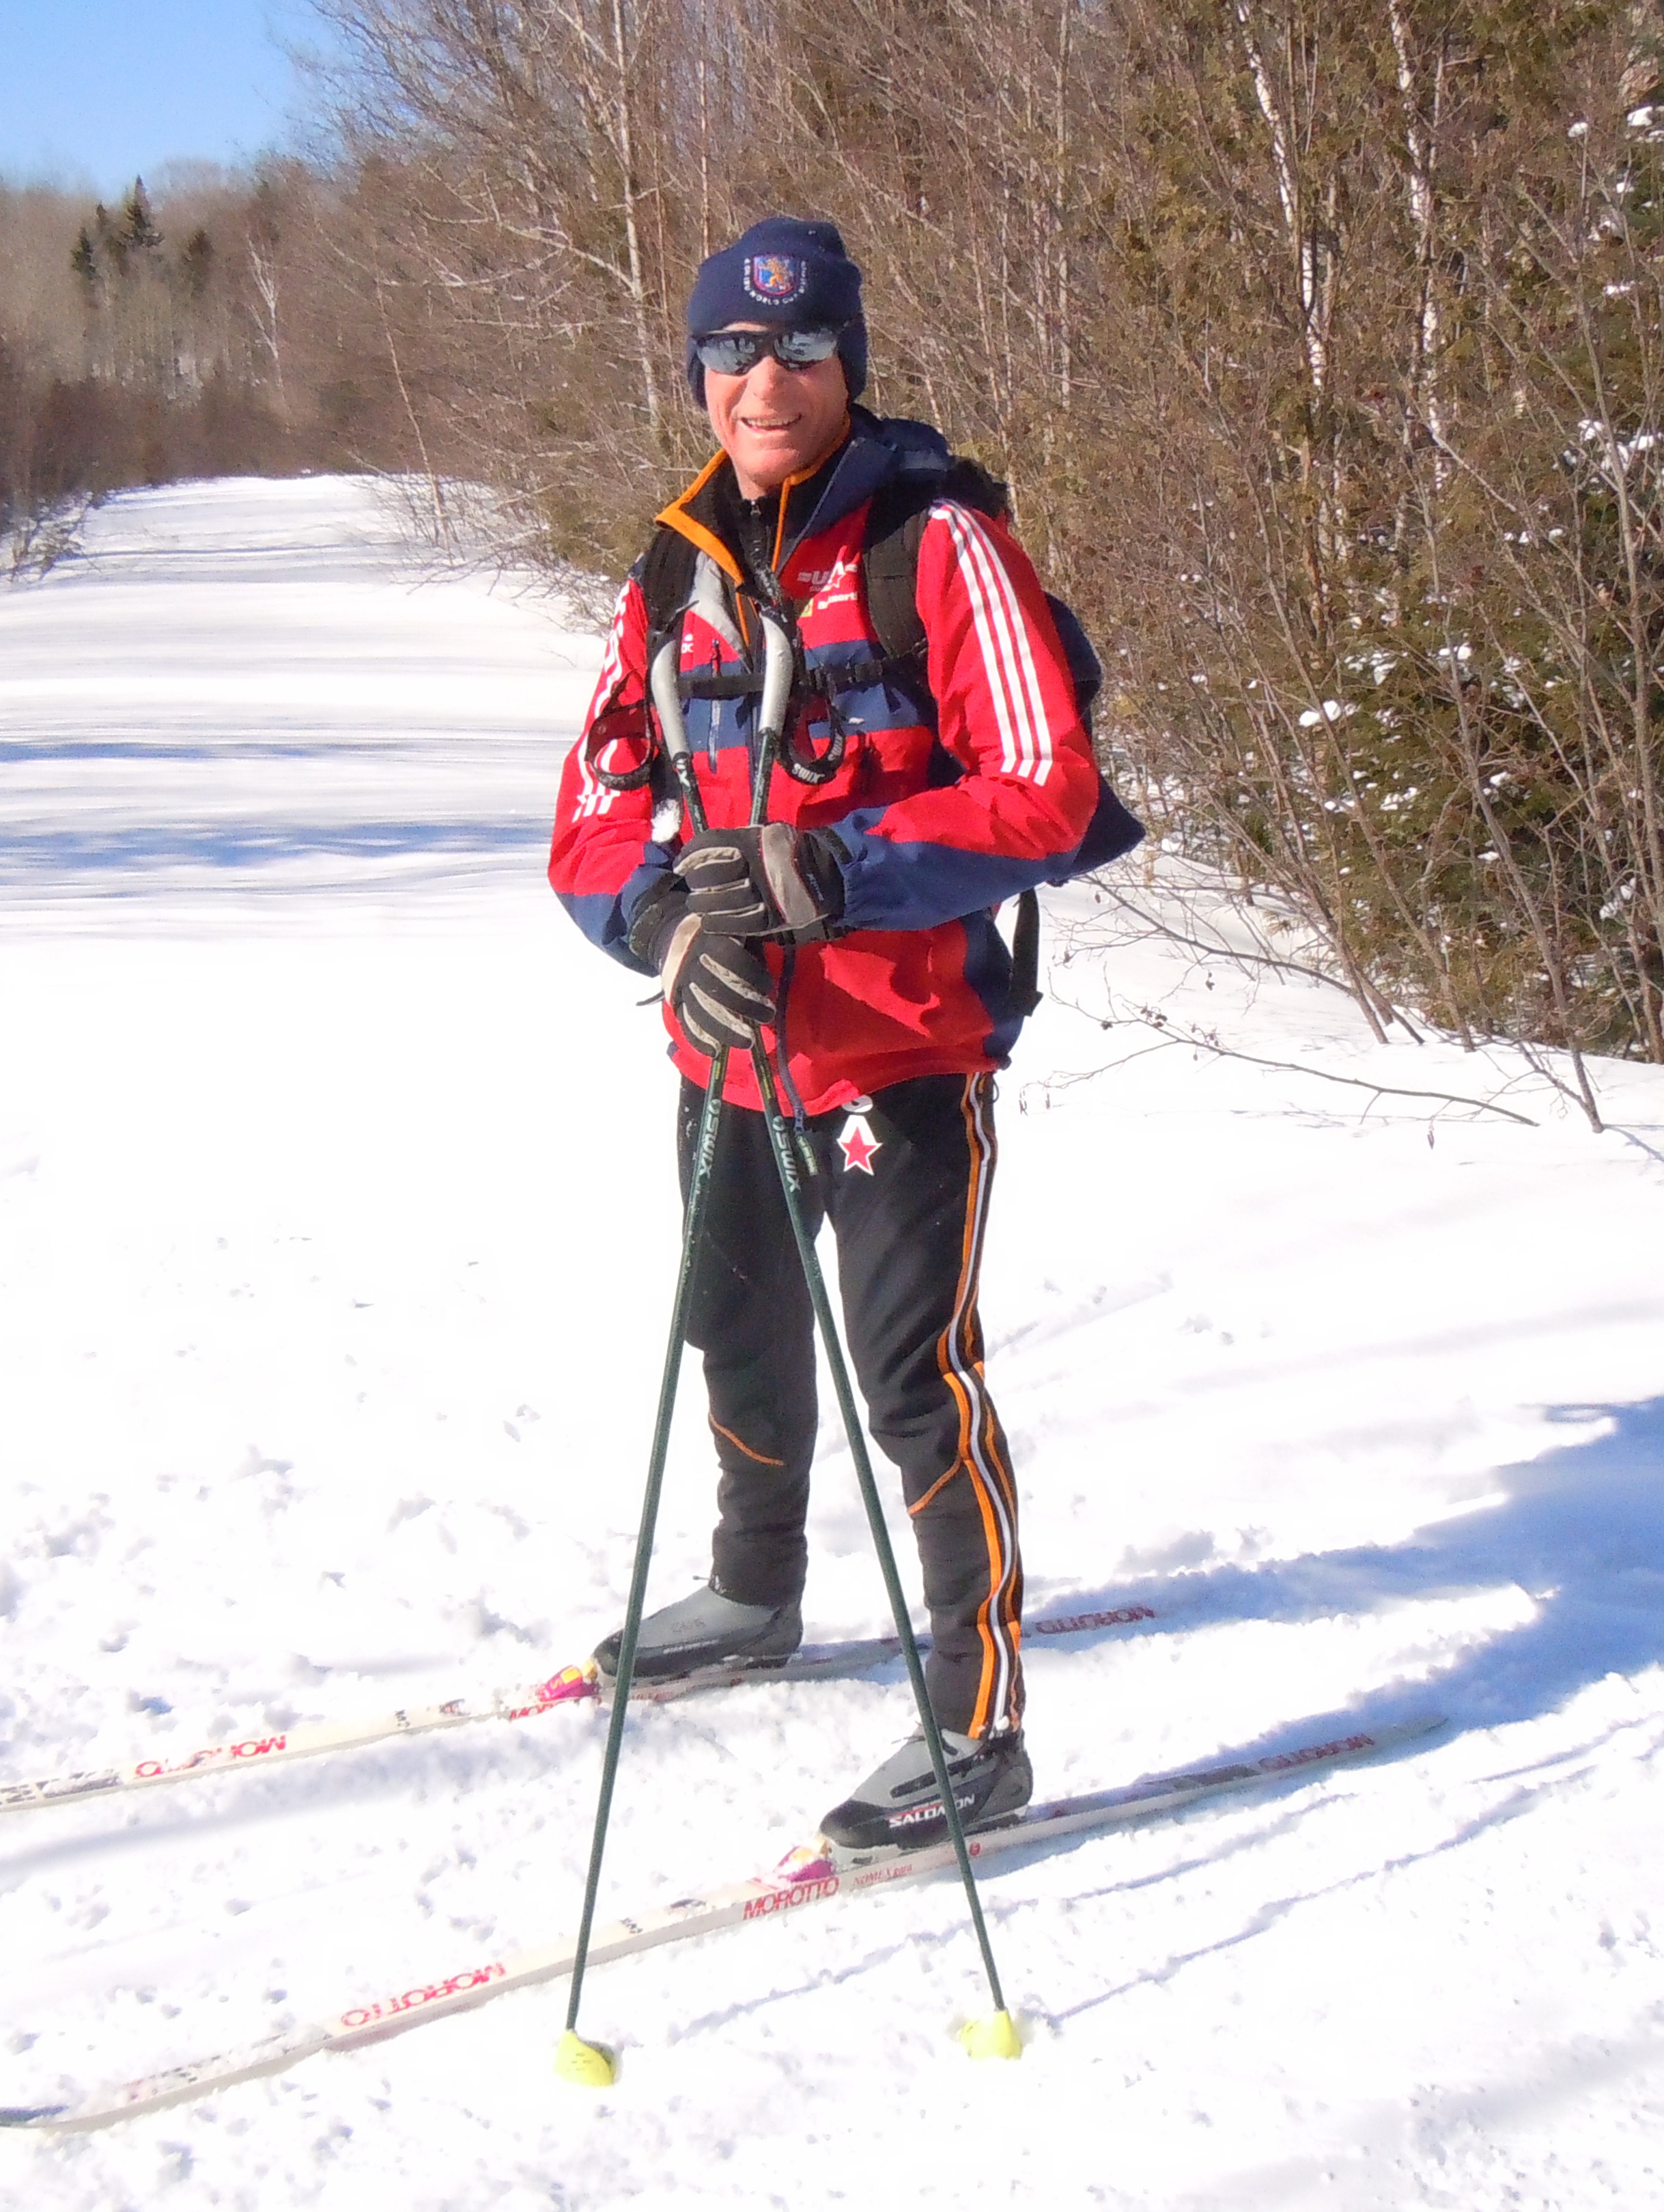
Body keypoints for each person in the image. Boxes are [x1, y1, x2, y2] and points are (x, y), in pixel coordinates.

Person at [548, 216, 1131, 1853]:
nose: (766, 380)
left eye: (799, 352)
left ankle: (976, 1723)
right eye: (733, 352)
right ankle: (753, 1593)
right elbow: (591, 815)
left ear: (848, 366)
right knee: (731, 1320)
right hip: (730, 1050)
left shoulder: (934, 546)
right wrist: (664, 929)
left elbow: (1049, 788)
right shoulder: (669, 571)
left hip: (900, 1042)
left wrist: (835, 869)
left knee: (912, 1378)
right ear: (698, 374)